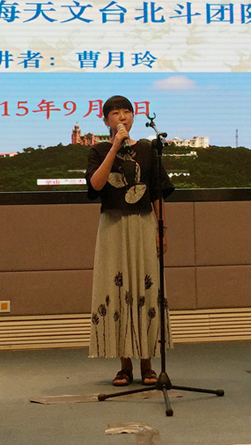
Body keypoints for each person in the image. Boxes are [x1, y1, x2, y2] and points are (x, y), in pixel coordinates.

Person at [85, 95, 172, 387]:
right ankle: (124, 366)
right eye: (115, 113)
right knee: (116, 287)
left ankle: (148, 364)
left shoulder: (147, 150)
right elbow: (96, 185)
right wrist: (114, 148)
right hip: (112, 225)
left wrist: (161, 229)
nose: (122, 117)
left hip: (143, 223)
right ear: (105, 120)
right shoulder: (98, 150)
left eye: (126, 112)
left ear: (134, 117)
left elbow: (157, 192)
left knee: (145, 286)